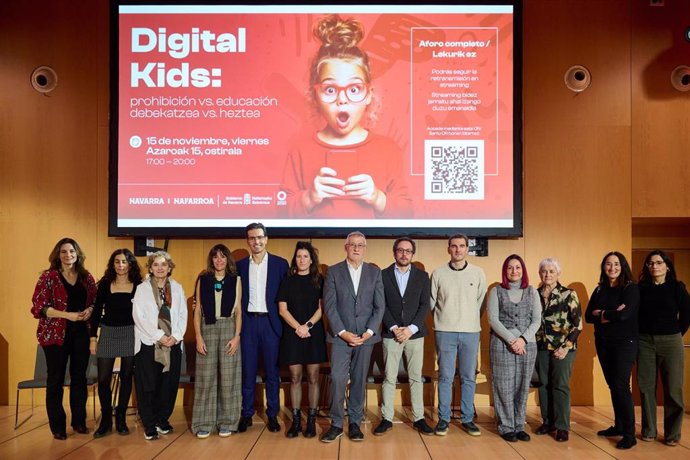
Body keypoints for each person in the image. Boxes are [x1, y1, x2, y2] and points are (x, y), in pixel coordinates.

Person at [281, 14, 412, 219]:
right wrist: (309, 198)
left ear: (368, 95)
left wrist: (378, 198)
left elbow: (407, 212)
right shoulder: (299, 149)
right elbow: (281, 211)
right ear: (315, 95)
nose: (342, 100)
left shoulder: (389, 150)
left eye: (354, 89)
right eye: (330, 89)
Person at [320, 231, 385, 443]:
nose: (356, 248)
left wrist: (367, 333)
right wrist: (343, 332)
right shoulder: (333, 272)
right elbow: (329, 306)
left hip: (365, 337)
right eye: (352, 245)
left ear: (364, 248)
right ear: (346, 247)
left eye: (360, 245)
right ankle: (337, 424)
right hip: (340, 337)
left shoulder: (374, 273)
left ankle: (355, 422)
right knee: (338, 379)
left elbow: (379, 307)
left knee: (359, 380)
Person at [30, 238, 97, 440]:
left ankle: (79, 422)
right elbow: (38, 307)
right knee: (56, 380)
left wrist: (90, 310)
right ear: (57, 255)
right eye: (64, 252)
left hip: (81, 334)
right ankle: (57, 427)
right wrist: (66, 314)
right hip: (55, 336)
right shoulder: (48, 277)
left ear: (78, 254)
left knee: (79, 379)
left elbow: (95, 300)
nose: (68, 255)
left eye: (71, 251)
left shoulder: (87, 277)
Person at [374, 237, 433, 436]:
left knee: (416, 378)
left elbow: (425, 305)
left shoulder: (423, 276)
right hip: (391, 334)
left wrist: (411, 329)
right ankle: (387, 418)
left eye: (408, 251)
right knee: (389, 377)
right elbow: (381, 305)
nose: (404, 254)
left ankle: (419, 418)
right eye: (400, 250)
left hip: (415, 335)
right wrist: (394, 327)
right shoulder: (383, 275)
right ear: (394, 253)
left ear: (412, 254)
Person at [429, 234, 487, 437]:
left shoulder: (478, 273)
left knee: (468, 377)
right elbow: (432, 303)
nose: (458, 250)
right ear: (448, 249)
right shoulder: (438, 273)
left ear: (467, 249)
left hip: (470, 332)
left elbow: (480, 303)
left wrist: (469, 320)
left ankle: (467, 418)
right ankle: (443, 419)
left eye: (462, 246)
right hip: (444, 331)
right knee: (445, 376)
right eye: (454, 246)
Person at [237, 223, 289, 433]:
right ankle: (247, 413)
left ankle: (272, 414)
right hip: (248, 322)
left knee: (272, 372)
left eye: (259, 237)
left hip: (271, 323)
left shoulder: (280, 264)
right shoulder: (239, 265)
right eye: (252, 238)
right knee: (247, 371)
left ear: (266, 239)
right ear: (247, 241)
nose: (256, 241)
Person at [585, 251, 639, 450]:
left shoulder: (630, 289)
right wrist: (611, 314)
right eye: (608, 264)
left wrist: (603, 313)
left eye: (616, 264)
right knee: (613, 386)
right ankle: (619, 426)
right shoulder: (600, 290)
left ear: (623, 266)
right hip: (604, 343)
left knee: (621, 386)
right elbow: (588, 316)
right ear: (604, 267)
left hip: (625, 343)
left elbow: (624, 315)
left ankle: (629, 434)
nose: (612, 268)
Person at [132, 251, 188, 441]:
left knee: (168, 384)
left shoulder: (178, 288)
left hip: (173, 343)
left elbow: (182, 314)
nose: (160, 268)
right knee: (148, 385)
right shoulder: (142, 289)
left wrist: (176, 336)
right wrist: (159, 336)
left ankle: (162, 419)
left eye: (164, 264)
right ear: (150, 267)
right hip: (149, 343)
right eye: (156, 264)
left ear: (170, 267)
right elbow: (139, 317)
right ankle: (149, 424)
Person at [637, 250, 689, 446]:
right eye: (650, 263)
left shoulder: (677, 288)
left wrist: (675, 334)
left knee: (674, 389)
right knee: (646, 387)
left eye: (659, 262)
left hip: (671, 342)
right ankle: (649, 430)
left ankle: (672, 434)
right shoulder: (640, 288)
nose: (654, 266)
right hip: (644, 342)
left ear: (667, 266)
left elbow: (686, 315)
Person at [487, 254, 541, 443]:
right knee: (504, 386)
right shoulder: (496, 291)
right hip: (502, 344)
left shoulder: (532, 292)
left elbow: (536, 320)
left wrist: (523, 340)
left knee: (522, 386)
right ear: (505, 271)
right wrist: (513, 340)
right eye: (510, 268)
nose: (514, 271)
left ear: (523, 270)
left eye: (518, 267)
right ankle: (506, 427)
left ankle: (519, 426)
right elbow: (493, 320)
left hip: (528, 345)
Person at [191, 244, 242, 439]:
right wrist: (198, 336)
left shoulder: (235, 280)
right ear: (211, 260)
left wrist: (237, 336)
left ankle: (227, 422)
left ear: (227, 260)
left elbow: (238, 311)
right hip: (207, 328)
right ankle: (203, 423)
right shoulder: (203, 279)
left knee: (229, 378)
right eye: (215, 257)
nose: (219, 260)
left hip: (229, 327)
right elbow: (197, 311)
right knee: (206, 378)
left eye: (222, 257)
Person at [91, 249, 142, 438]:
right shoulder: (105, 284)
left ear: (131, 264)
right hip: (108, 332)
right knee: (103, 379)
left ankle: (121, 417)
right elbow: (96, 312)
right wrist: (93, 338)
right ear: (112, 264)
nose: (121, 265)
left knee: (127, 376)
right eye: (117, 261)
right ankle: (106, 419)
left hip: (130, 332)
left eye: (125, 261)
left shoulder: (139, 285)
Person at [277, 241, 327, 438]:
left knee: (314, 378)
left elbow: (322, 308)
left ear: (311, 259)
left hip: (313, 333)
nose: (302, 260)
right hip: (292, 334)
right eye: (299, 256)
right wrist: (298, 327)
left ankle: (312, 421)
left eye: (306, 256)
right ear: (294, 259)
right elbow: (282, 309)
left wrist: (307, 326)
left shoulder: (319, 280)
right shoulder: (287, 280)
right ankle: (296, 421)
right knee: (295, 377)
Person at [534, 258, 582, 442]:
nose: (547, 274)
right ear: (540, 274)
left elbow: (578, 326)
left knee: (560, 386)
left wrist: (566, 347)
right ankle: (548, 422)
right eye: (544, 271)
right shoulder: (535, 294)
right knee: (544, 385)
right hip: (541, 347)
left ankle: (562, 426)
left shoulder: (569, 294)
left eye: (551, 271)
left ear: (558, 273)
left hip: (564, 348)